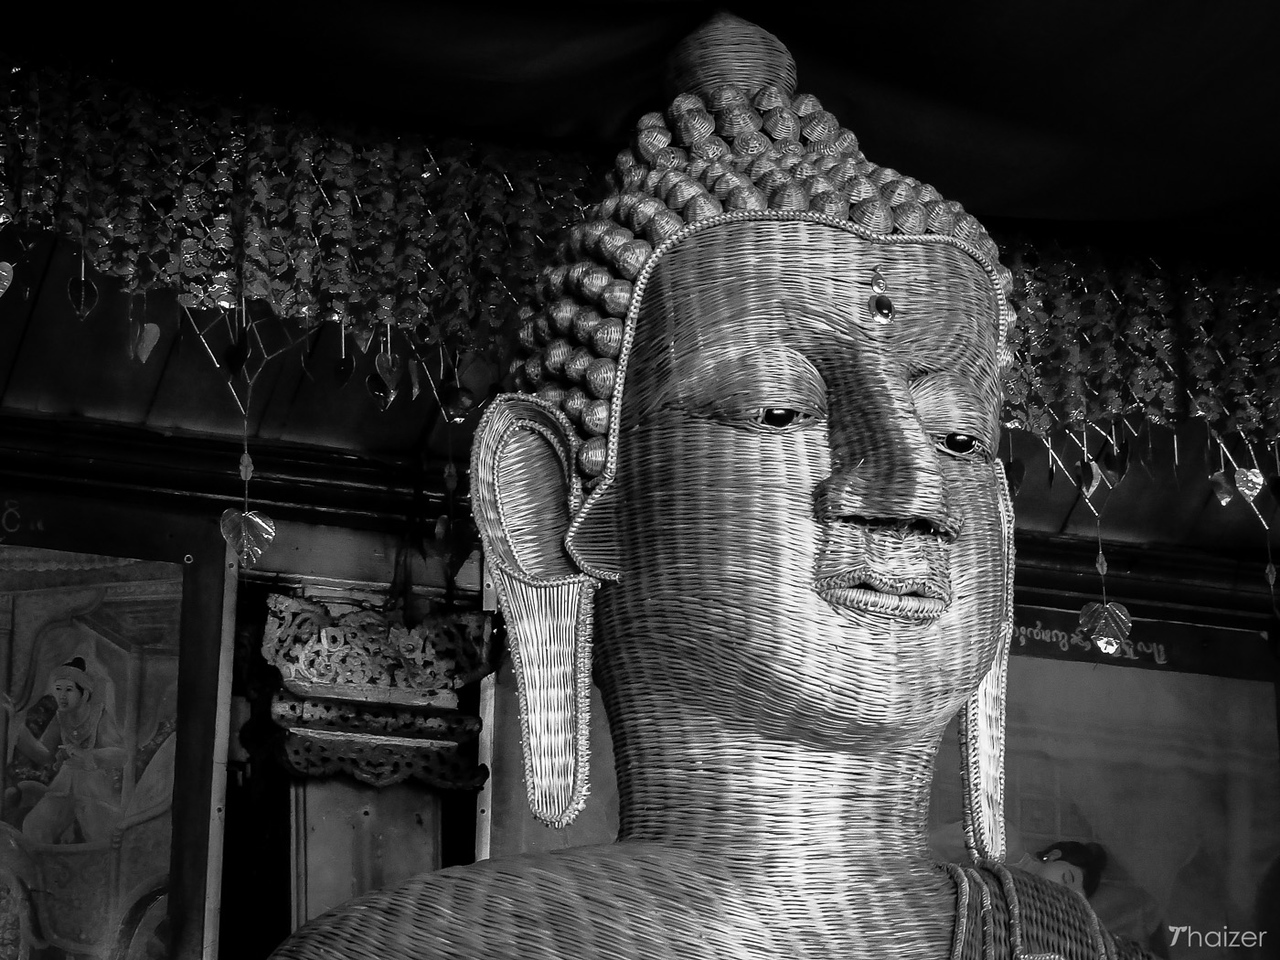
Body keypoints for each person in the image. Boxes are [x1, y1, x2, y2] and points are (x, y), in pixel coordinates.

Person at [272, 13, 1154, 960]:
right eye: (778, 411)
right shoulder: (417, 950)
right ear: (549, 500)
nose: (910, 484)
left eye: (960, 434)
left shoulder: (1057, 938)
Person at [3, 657, 126, 843]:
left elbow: (121, 754)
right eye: (58, 689)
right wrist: (19, 732)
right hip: (64, 785)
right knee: (34, 827)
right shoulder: (60, 717)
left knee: (102, 834)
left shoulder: (99, 715)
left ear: (84, 694)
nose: (61, 696)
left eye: (68, 690)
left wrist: (88, 756)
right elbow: (44, 755)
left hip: (95, 787)